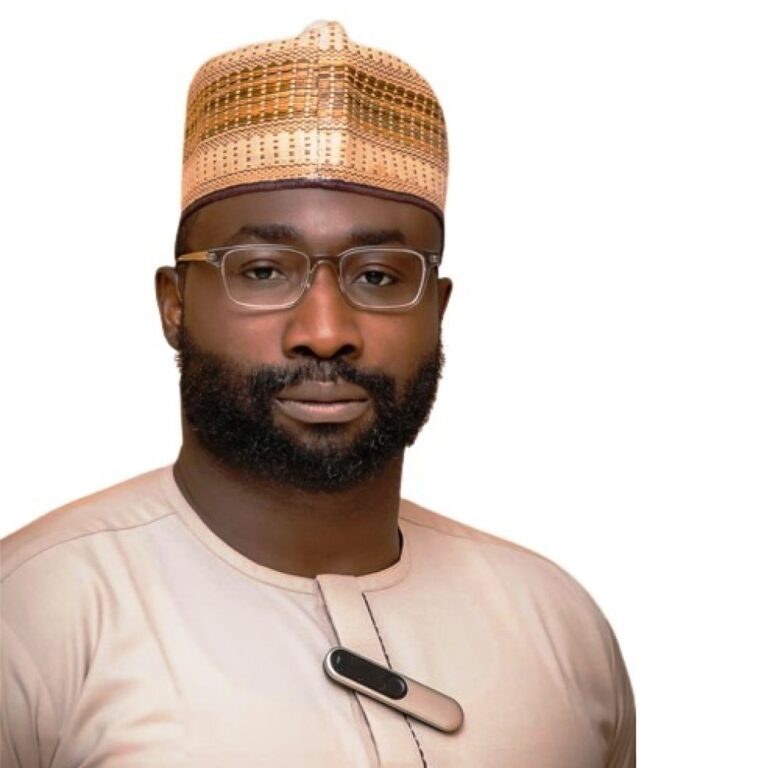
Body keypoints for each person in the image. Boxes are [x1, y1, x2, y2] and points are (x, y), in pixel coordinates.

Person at [1, 19, 635, 767]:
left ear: (437, 311)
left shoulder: (559, 626)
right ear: (175, 304)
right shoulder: (34, 621)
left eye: (380, 276)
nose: (326, 332)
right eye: (264, 270)